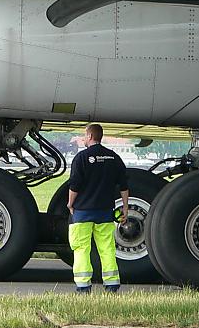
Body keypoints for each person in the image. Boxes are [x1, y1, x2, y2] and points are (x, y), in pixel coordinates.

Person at [67, 123, 129, 293]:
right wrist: (125, 207)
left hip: (82, 212)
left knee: (81, 249)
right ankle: (111, 285)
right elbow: (123, 185)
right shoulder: (113, 158)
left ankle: (83, 286)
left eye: (84, 135)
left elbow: (75, 185)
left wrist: (70, 203)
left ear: (90, 136)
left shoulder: (81, 158)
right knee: (107, 248)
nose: (83, 138)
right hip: (105, 212)